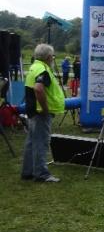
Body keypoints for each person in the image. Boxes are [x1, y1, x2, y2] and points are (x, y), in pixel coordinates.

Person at [21, 44, 65, 182]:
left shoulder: (34, 66)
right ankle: (41, 174)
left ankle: (28, 172)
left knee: (31, 142)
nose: (53, 58)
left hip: (32, 110)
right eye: (53, 56)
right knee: (41, 143)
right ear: (48, 57)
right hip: (40, 112)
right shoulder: (43, 70)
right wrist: (45, 109)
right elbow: (38, 89)